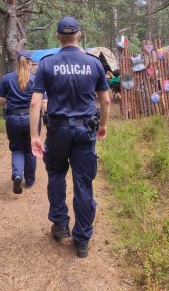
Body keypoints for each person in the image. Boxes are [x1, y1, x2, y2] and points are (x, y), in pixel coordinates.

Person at [30, 16, 110, 258]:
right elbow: (105, 100)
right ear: (79, 34)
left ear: (57, 36)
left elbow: (35, 103)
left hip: (57, 131)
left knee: (55, 174)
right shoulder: (93, 63)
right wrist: (103, 126)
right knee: (83, 182)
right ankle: (82, 239)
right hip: (86, 131)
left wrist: (34, 135)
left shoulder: (46, 64)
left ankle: (60, 223)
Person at [0, 50, 46, 194]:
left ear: (17, 62)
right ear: (30, 63)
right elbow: (43, 102)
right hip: (31, 118)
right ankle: (29, 181)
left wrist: (10, 101)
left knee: (17, 149)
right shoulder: (36, 79)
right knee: (31, 149)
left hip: (13, 119)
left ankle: (18, 174)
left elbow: (0, 99)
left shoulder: (7, 78)